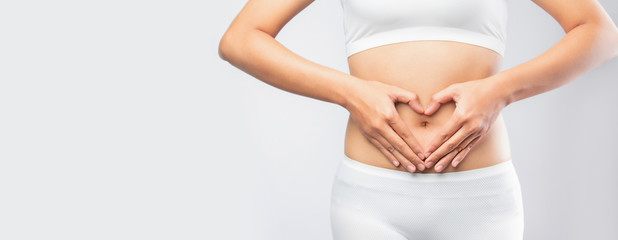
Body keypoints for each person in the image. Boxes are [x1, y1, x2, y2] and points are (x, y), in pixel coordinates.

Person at [218, 0, 618, 239]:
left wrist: (500, 92)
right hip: (372, 198)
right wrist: (349, 93)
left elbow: (601, 33)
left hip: (480, 199)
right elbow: (241, 39)